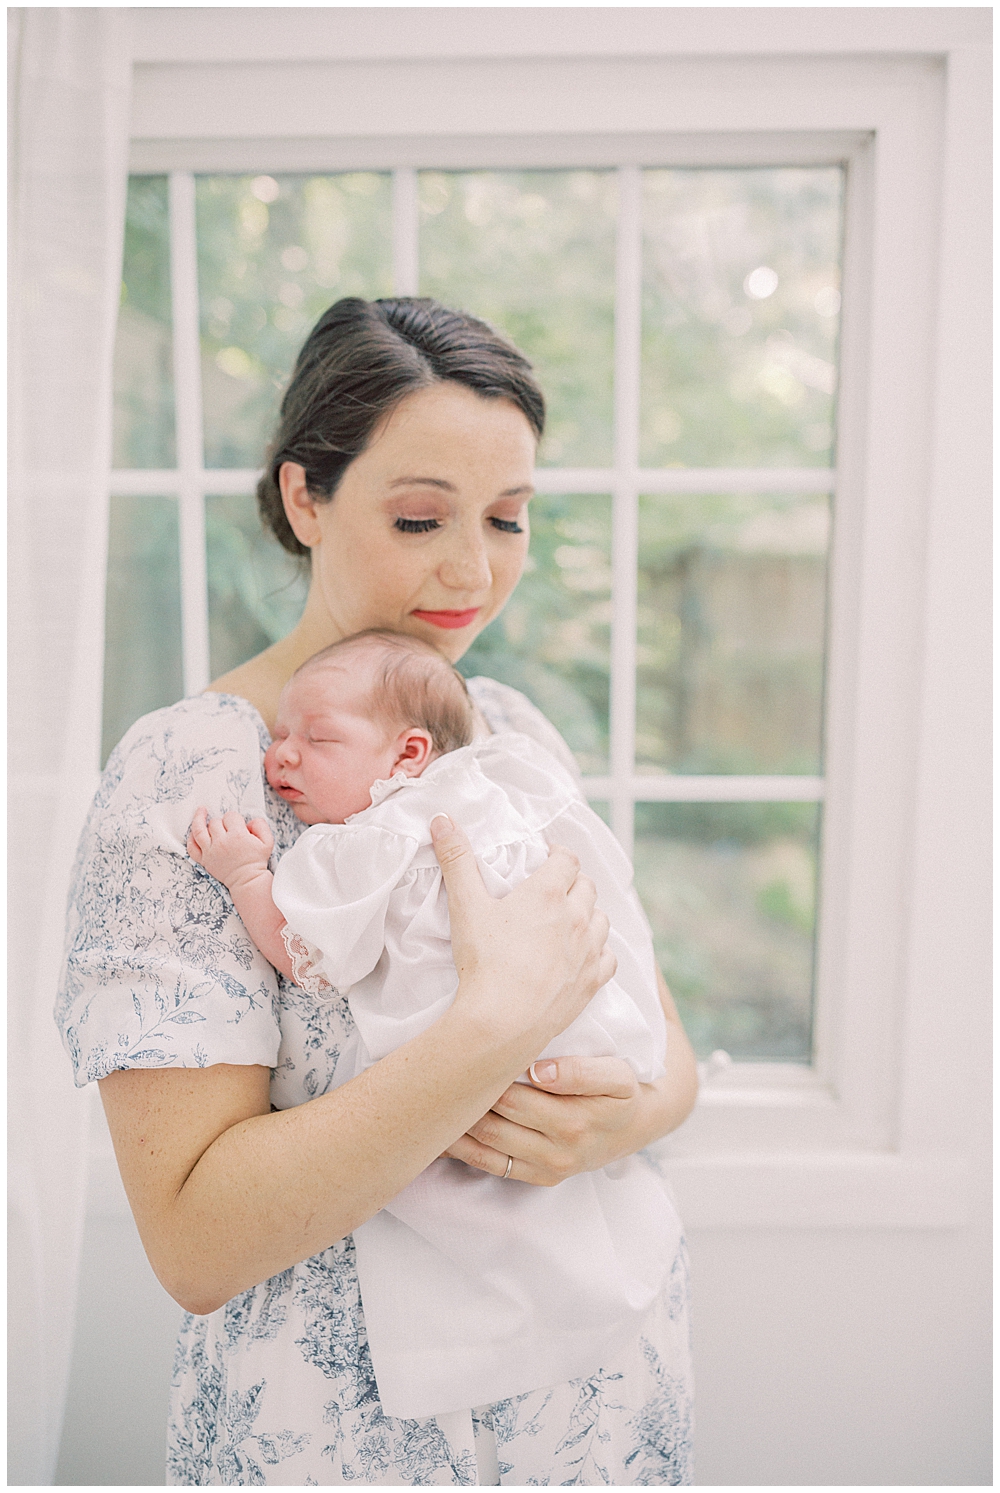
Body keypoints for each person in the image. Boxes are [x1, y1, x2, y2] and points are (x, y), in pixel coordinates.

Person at [56, 296, 698, 1486]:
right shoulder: (194, 774)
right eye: (419, 517)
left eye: (508, 518)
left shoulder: (506, 728)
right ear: (305, 497)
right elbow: (195, 1241)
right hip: (346, 1439)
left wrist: (616, 1119)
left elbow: (671, 1055)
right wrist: (487, 1033)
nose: (472, 569)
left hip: (596, 1404)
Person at [186, 626, 673, 1423]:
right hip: (584, 1052)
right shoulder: (510, 784)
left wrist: (246, 873)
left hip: (493, 1081)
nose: (281, 759)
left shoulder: (372, 839)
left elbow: (298, 949)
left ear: (408, 755)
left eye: (317, 737)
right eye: (278, 736)